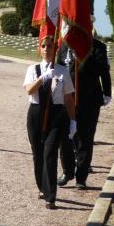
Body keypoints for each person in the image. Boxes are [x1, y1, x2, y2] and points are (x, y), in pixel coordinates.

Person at [24, 35, 76, 209]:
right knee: (38, 153)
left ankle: (50, 196)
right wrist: (43, 77)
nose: (47, 48)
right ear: (40, 49)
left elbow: (68, 98)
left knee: (50, 153)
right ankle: (42, 186)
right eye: (44, 46)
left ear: (55, 49)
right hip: (36, 113)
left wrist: (73, 120)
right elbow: (29, 90)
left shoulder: (63, 71)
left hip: (56, 116)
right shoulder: (33, 69)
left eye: (50, 46)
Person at [57, 37, 112, 189]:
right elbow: (58, 67)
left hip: (90, 100)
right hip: (68, 99)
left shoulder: (98, 47)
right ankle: (67, 171)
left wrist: (107, 92)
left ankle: (81, 177)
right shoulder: (65, 44)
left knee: (85, 138)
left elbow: (103, 70)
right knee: (66, 137)